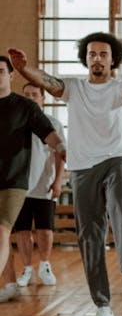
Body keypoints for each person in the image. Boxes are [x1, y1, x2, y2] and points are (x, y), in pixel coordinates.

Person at [8, 34, 122, 316]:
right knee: (90, 236)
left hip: (117, 160)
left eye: (103, 54)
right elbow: (48, 81)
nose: (97, 58)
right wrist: (23, 69)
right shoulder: (74, 88)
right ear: (85, 58)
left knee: (120, 209)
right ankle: (102, 306)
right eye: (92, 54)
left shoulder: (120, 86)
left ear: (113, 59)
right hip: (82, 168)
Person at [0, 56, 66, 303]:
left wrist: (61, 148)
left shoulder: (25, 108)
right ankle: (10, 282)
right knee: (8, 234)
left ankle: (42, 265)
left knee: (5, 231)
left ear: (10, 75)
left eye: (0, 72)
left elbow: (50, 134)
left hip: (16, 180)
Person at [13, 83, 66, 288]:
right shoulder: (15, 123)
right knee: (22, 230)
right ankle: (27, 268)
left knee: (45, 229)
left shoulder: (53, 123)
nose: (31, 98)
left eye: (35, 95)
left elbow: (61, 153)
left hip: (44, 185)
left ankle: (44, 265)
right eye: (27, 95)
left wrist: (58, 180)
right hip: (19, 186)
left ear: (43, 99)